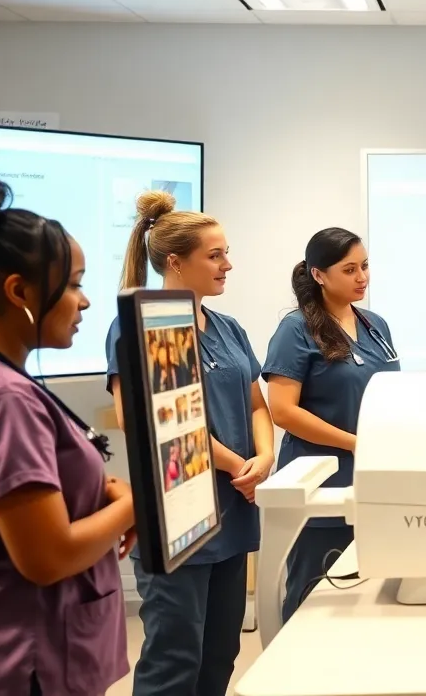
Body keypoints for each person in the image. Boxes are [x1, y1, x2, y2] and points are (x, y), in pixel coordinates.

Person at [0, 161, 133, 695]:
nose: (85, 301)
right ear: (20, 292)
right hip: (17, 659)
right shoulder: (0, 397)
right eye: (73, 285)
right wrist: (135, 505)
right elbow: (48, 557)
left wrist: (99, 490)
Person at [107, 191, 274, 696]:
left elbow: (257, 405)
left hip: (233, 508)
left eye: (226, 252)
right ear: (175, 261)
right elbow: (145, 422)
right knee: (174, 664)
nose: (228, 265)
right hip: (179, 513)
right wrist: (235, 464)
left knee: (221, 657)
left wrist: (264, 457)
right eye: (215, 255)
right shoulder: (145, 323)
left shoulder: (227, 327)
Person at [264, 227, 400, 622]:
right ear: (319, 275)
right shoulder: (296, 330)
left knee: (370, 591)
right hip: (322, 479)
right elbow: (284, 411)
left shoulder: (375, 324)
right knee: (315, 592)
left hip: (372, 478)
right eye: (349, 269)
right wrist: (355, 443)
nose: (362, 277)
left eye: (365, 266)